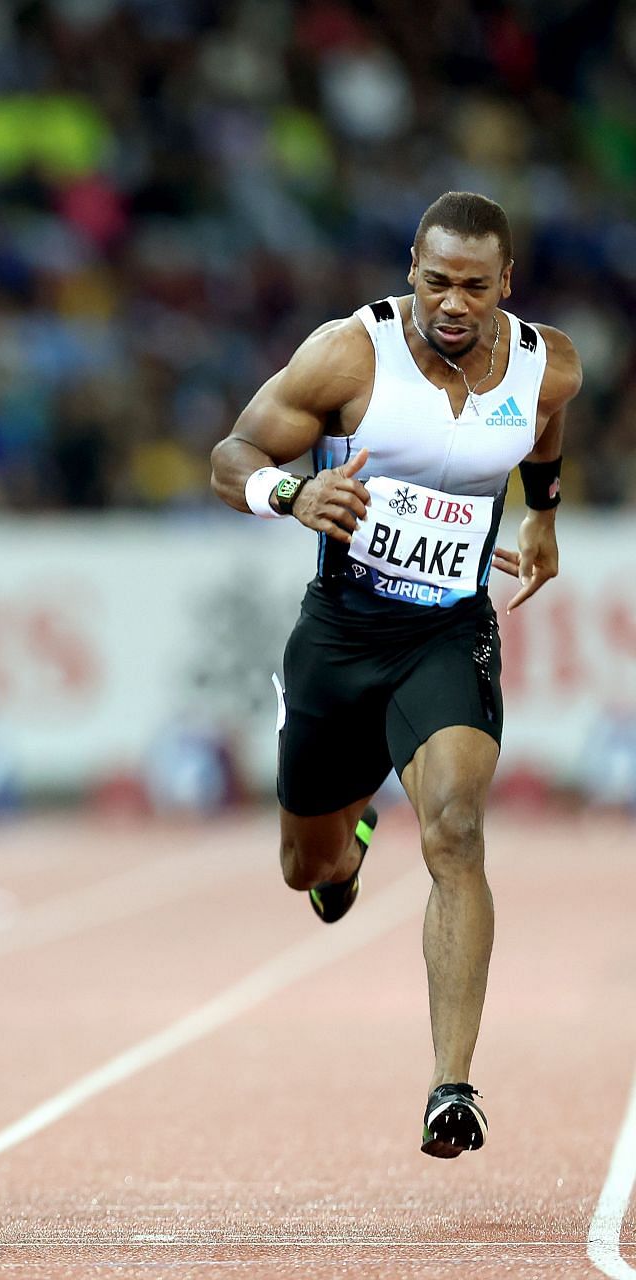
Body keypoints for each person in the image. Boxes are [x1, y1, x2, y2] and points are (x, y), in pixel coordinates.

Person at [209, 191, 580, 1159]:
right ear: (410, 265)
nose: (451, 305)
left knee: (457, 829)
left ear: (508, 283)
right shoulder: (347, 353)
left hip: (448, 633)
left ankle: (451, 1084)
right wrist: (290, 489)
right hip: (339, 637)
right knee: (310, 868)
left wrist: (541, 512)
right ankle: (353, 833)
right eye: (434, 281)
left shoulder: (549, 362)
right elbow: (229, 455)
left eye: (473, 286)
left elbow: (542, 432)